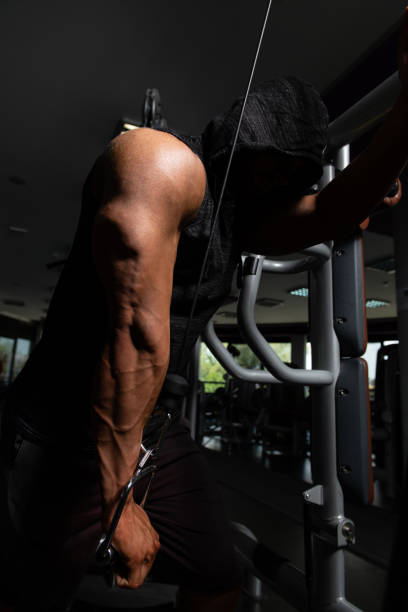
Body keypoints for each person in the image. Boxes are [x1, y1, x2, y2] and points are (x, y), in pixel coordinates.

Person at [0, 10, 407, 612]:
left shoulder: (237, 215)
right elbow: (137, 337)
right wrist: (119, 504)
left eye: (296, 176)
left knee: (219, 577)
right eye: (281, 169)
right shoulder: (160, 162)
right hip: (56, 434)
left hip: (151, 435)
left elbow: (333, 212)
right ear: (257, 150)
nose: (287, 185)